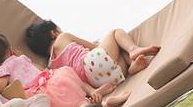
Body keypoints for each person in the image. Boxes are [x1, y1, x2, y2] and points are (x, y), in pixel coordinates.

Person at [0, 33, 122, 107]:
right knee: (70, 75)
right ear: (10, 50)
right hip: (52, 78)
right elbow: (40, 69)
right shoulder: (21, 58)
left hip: (40, 92)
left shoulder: (2, 70)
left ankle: (97, 105)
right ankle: (92, 91)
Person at [25, 20, 160, 88]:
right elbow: (93, 47)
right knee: (115, 33)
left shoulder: (51, 66)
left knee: (116, 52)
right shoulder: (63, 37)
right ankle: (133, 50)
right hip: (92, 63)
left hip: (98, 82)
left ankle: (132, 65)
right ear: (54, 33)